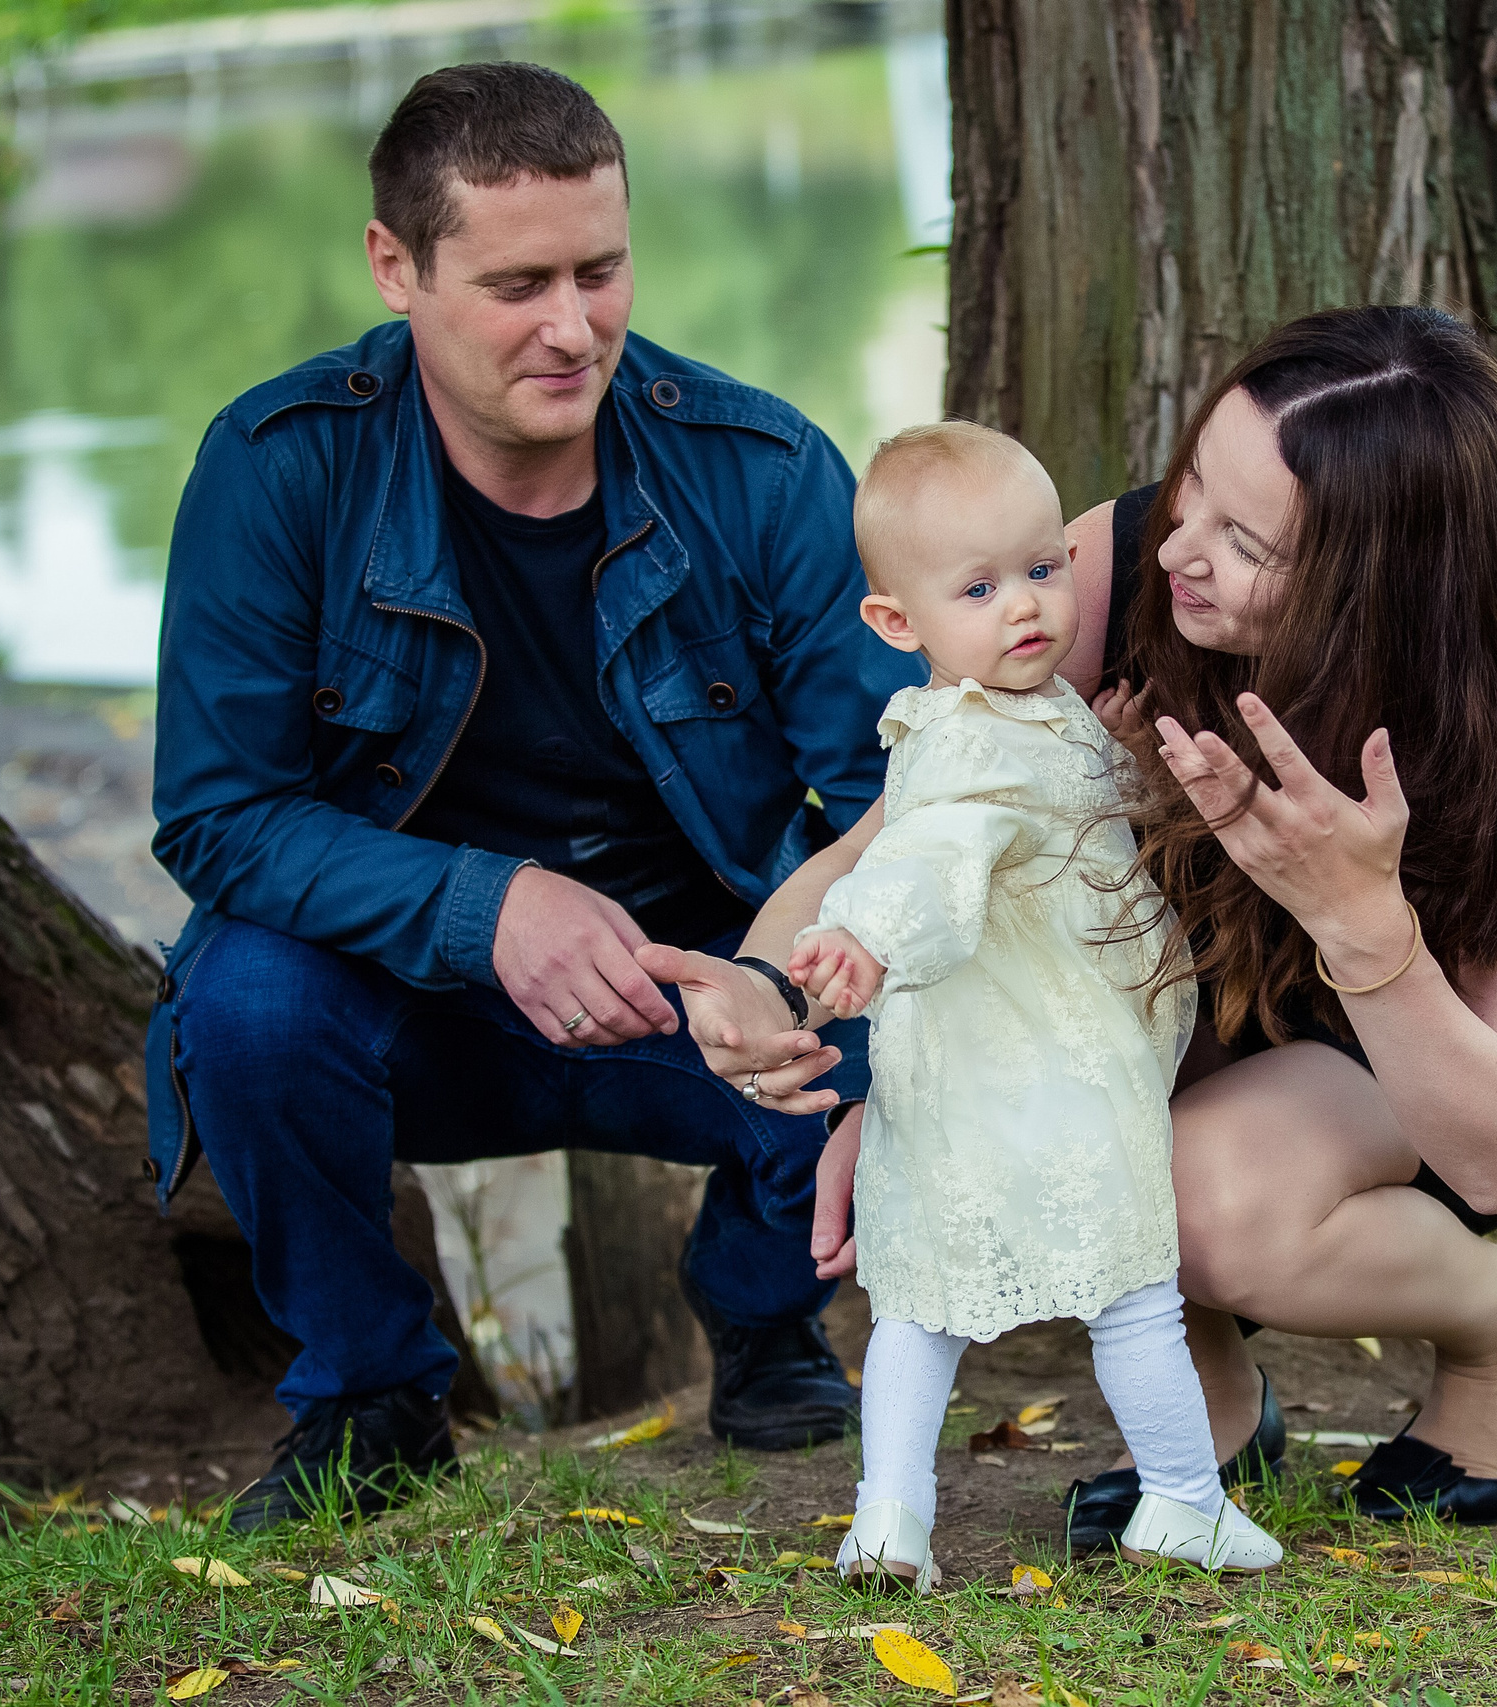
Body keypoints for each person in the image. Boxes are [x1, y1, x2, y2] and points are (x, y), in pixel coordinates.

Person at [698, 306, 1497, 1542]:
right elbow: (903, 843)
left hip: (1416, 1044)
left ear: (1388, 584)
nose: (1179, 547)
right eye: (1193, 482)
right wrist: (784, 999)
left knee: (1196, 1199)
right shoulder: (1118, 568)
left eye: (1246, 540)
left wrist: (1361, 920)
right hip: (1165, 999)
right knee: (1058, 1144)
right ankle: (1214, 1412)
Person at [142, 60, 921, 1530]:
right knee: (237, 1004)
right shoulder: (276, 468)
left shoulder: (757, 465)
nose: (575, 328)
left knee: (916, 972)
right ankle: (372, 1390)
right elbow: (216, 815)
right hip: (413, 1005)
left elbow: (901, 789)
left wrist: (781, 964)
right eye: (518, 285)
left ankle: (764, 1318)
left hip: (703, 997)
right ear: (396, 265)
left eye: (601, 270)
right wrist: (482, 905)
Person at [785, 423, 1281, 1587]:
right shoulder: (968, 749)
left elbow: (1064, 824)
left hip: (963, 1066)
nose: (1026, 609)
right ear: (897, 625)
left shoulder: (1023, 714)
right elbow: (937, 859)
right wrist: (863, 934)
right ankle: (1181, 1498)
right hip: (1044, 1068)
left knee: (920, 1302)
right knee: (1129, 1293)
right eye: (978, 588)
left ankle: (890, 1519)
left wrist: (1113, 763)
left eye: (1043, 571)